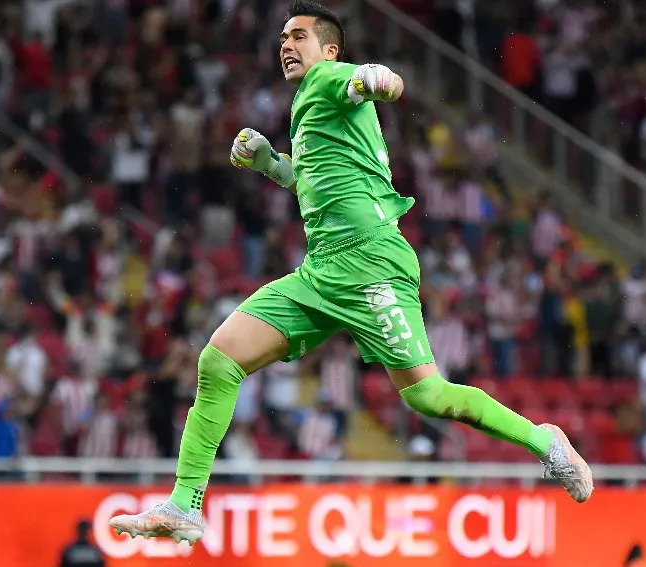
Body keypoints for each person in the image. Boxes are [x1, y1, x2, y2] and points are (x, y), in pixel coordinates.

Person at [109, 0, 593, 545]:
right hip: (321, 271)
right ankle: (185, 504)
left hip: (371, 264)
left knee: (427, 397)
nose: (286, 45)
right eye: (282, 38)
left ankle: (546, 442)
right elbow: (317, 183)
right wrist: (271, 162)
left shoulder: (328, 81)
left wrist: (377, 79)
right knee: (218, 359)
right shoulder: (310, 105)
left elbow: (376, 83)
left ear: (330, 50)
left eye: (299, 36)